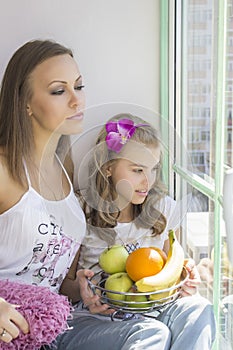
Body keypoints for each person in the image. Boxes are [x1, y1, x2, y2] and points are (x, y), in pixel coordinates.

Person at [0, 40, 180, 350]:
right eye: (59, 91)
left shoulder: (63, 166)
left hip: (56, 322)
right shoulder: (4, 169)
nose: (77, 101)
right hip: (13, 331)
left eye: (79, 87)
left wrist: (81, 291)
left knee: (152, 334)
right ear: (24, 103)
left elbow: (56, 279)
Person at [74, 114, 216, 350]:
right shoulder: (83, 210)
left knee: (200, 309)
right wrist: (81, 288)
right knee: (152, 333)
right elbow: (63, 284)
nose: (147, 181)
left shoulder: (163, 208)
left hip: (156, 309)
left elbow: (174, 264)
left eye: (153, 169)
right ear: (109, 168)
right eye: (138, 170)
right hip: (102, 317)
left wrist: (186, 277)